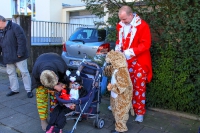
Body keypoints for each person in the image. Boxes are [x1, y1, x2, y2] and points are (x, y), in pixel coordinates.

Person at [115, 6, 153, 123]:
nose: (122, 22)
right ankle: (126, 108)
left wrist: (128, 52)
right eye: (121, 19)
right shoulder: (121, 25)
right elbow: (119, 40)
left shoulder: (143, 26)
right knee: (125, 86)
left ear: (131, 15)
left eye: (124, 19)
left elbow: (145, 45)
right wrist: (117, 49)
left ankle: (139, 112)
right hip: (126, 61)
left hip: (139, 61)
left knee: (139, 88)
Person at [31, 52, 68, 131]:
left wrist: (61, 84)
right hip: (41, 67)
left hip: (54, 61)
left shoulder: (61, 67)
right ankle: (43, 120)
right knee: (41, 99)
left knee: (55, 97)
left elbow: (66, 79)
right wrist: (54, 86)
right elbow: (37, 83)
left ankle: (53, 115)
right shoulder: (36, 72)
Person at [0, 15, 33, 98]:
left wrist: (20, 53)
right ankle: (14, 89)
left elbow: (22, 40)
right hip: (7, 56)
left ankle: (29, 90)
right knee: (11, 73)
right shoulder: (1, 31)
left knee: (24, 72)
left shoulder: (15, 27)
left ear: (1, 21)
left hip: (19, 56)